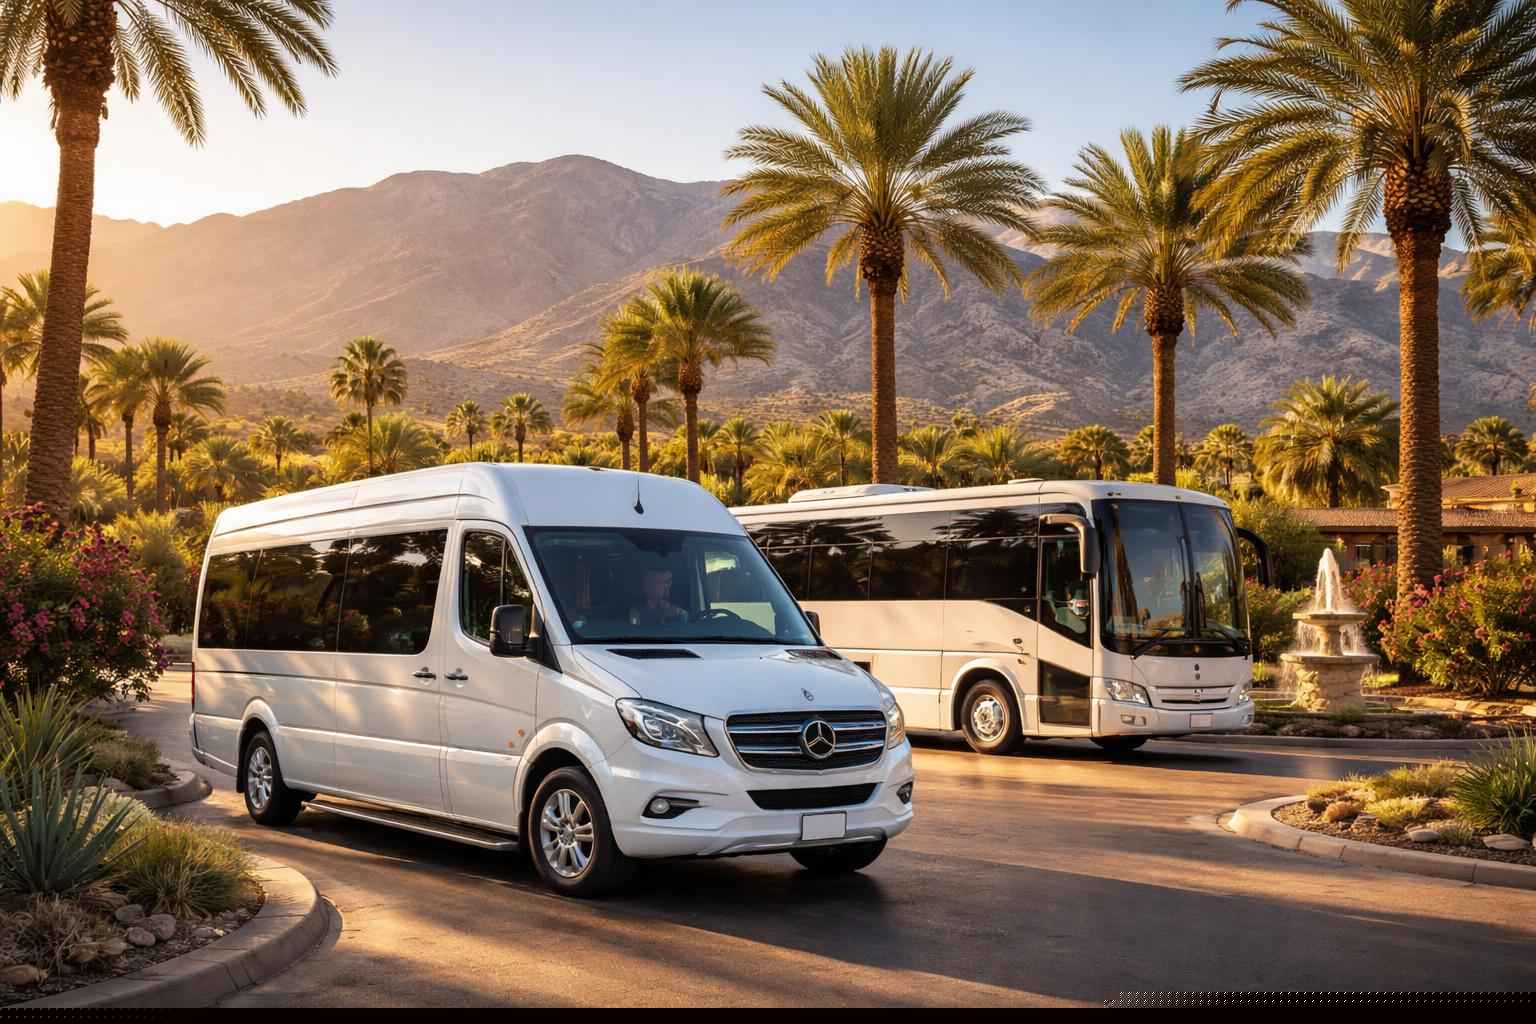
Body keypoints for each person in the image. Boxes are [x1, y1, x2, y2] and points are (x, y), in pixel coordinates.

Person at [629, 559, 686, 628]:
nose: (668, 585)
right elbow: (634, 624)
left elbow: (688, 618)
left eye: (669, 581)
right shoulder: (635, 610)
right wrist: (662, 615)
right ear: (647, 585)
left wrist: (679, 613)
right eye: (665, 582)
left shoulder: (674, 605)